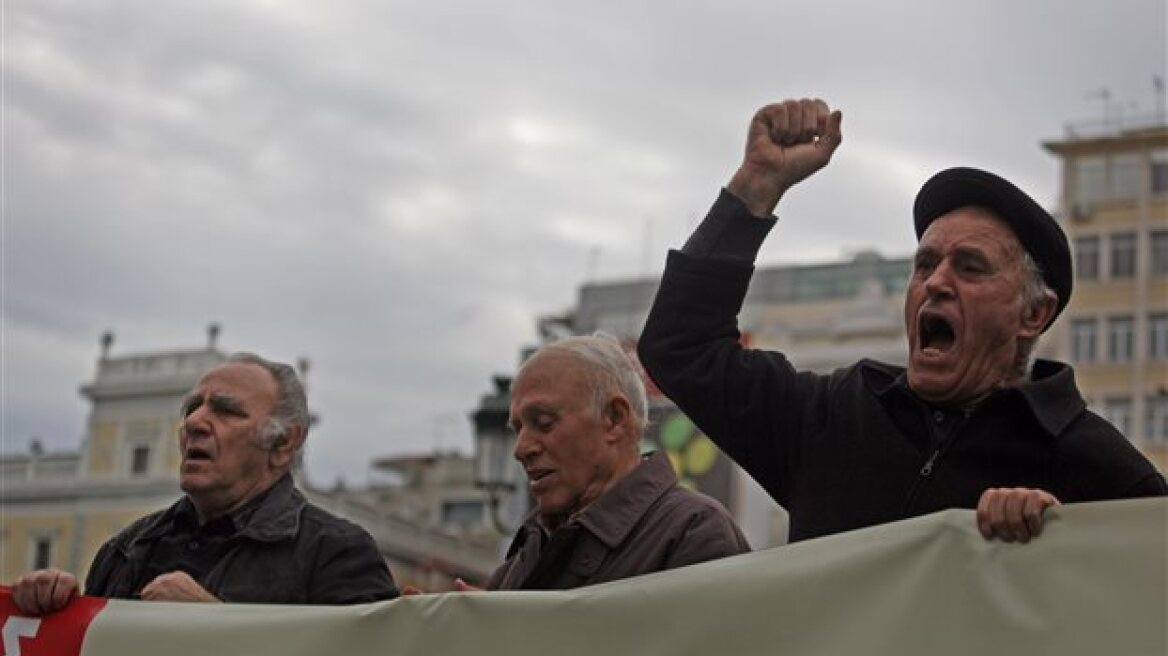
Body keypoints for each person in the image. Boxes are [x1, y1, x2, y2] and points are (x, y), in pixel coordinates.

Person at [637, 97, 1167, 546]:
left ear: (1034, 314)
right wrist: (757, 184)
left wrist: (1063, 542)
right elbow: (680, 348)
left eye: (970, 267)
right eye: (925, 263)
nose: (936, 282)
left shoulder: (1097, 469)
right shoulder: (832, 417)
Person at [11, 353, 399, 614]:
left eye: (226, 410)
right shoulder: (125, 549)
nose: (194, 422)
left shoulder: (337, 554)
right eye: (192, 408)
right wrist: (53, 608)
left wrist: (211, 624)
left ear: (283, 444)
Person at [483, 335, 750, 590]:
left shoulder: (694, 533)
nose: (521, 449)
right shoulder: (520, 562)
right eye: (517, 429)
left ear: (615, 418)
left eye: (543, 423)